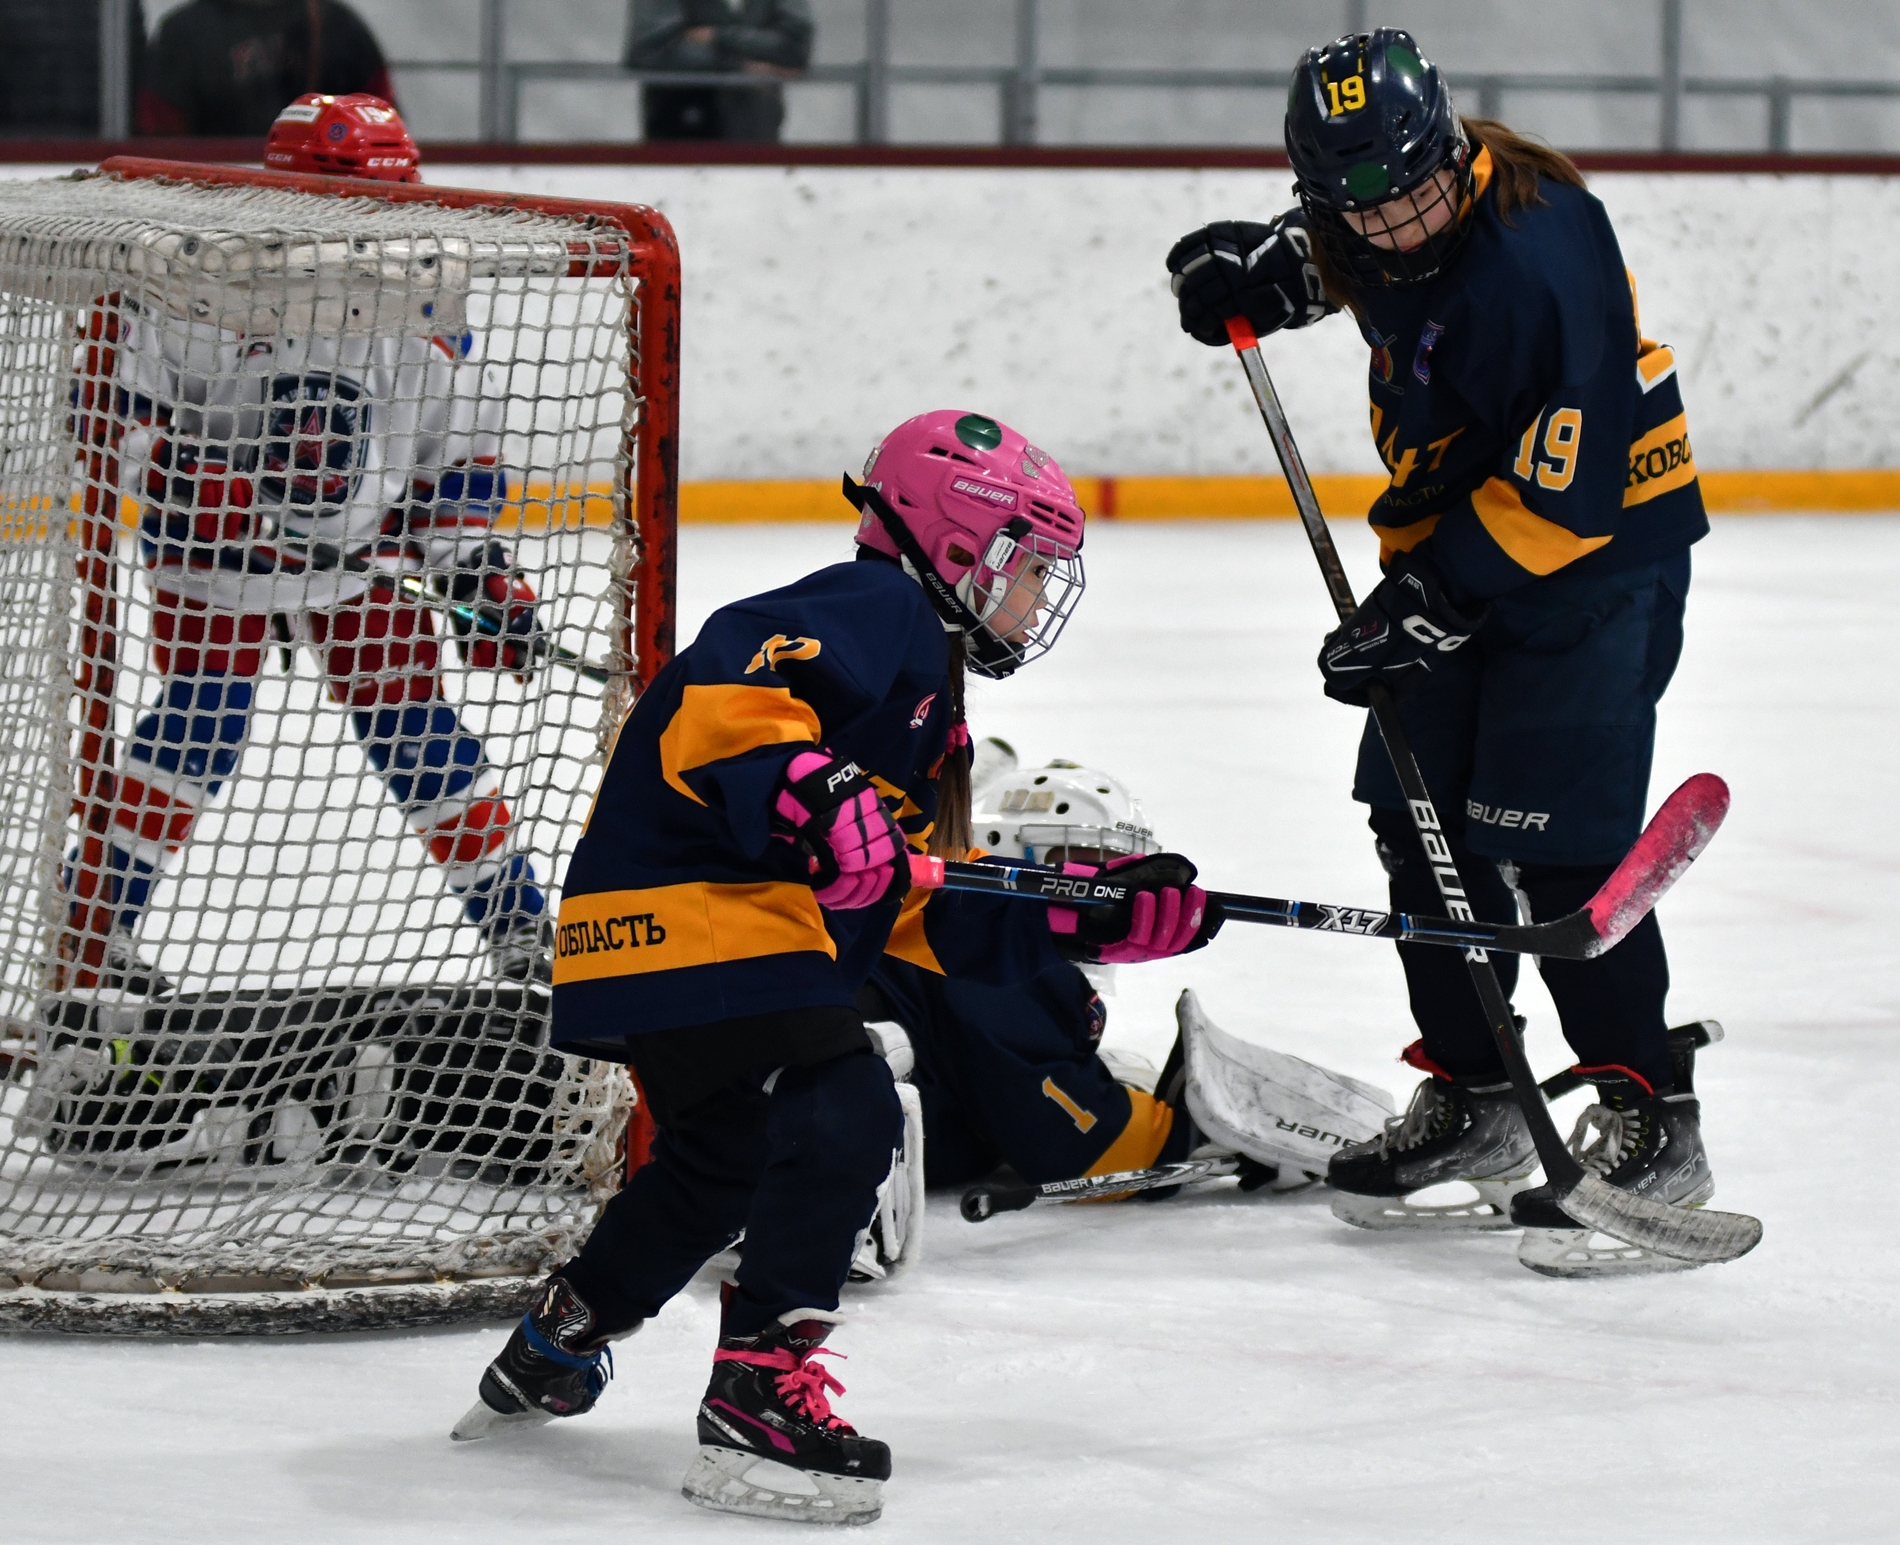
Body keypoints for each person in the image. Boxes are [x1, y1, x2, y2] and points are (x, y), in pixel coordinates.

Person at [449, 410, 1220, 1525]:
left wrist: (1082, 923)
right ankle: (757, 1396)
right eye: (1029, 568)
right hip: (705, 913)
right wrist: (807, 785)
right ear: (961, 546)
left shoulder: (927, 707)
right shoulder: (878, 610)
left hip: (658, 942)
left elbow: (910, 910)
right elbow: (729, 681)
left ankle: (557, 1341)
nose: (1038, 597)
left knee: (722, 1158)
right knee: (844, 1101)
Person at [1165, 29, 1714, 1278]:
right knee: (1417, 827)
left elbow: (1564, 502)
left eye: (1414, 193)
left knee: (1560, 850)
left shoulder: (1539, 258)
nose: (1397, 226)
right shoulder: (1380, 213)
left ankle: (1654, 1117)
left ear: (1451, 153)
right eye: (1358, 210)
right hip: (1463, 543)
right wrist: (1274, 273)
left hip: (1592, 565)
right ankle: (1474, 1101)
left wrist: (1422, 608)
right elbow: (1361, 258)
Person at [60, 94, 554, 998]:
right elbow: (109, 409)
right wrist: (177, 473)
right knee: (199, 728)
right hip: (214, 564)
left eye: (380, 203)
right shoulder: (195, 283)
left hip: (362, 568)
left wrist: (475, 570)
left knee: (419, 734)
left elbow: (457, 466)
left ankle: (520, 928)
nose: (365, 230)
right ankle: (92, 930)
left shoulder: (428, 312)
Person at [860, 748, 1388, 1208]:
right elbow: (1079, 1148)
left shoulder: (943, 936)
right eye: (1084, 863)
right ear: (1001, 855)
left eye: (1118, 866)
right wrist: (1200, 1136)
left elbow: (992, 1092)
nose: (1104, 885)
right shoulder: (998, 965)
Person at [139, 0, 394, 138]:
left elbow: (383, 126)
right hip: (211, 198)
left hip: (322, 197)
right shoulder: (184, 32)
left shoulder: (339, 26)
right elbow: (159, 141)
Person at [625, 0, 813, 143]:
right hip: (681, 131)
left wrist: (718, 36)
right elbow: (649, 51)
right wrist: (742, 67)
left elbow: (795, 49)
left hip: (756, 136)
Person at [0, 1, 147, 138]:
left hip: (25, 131)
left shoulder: (117, 7)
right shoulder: (116, 7)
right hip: (92, 132)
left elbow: (135, 66)